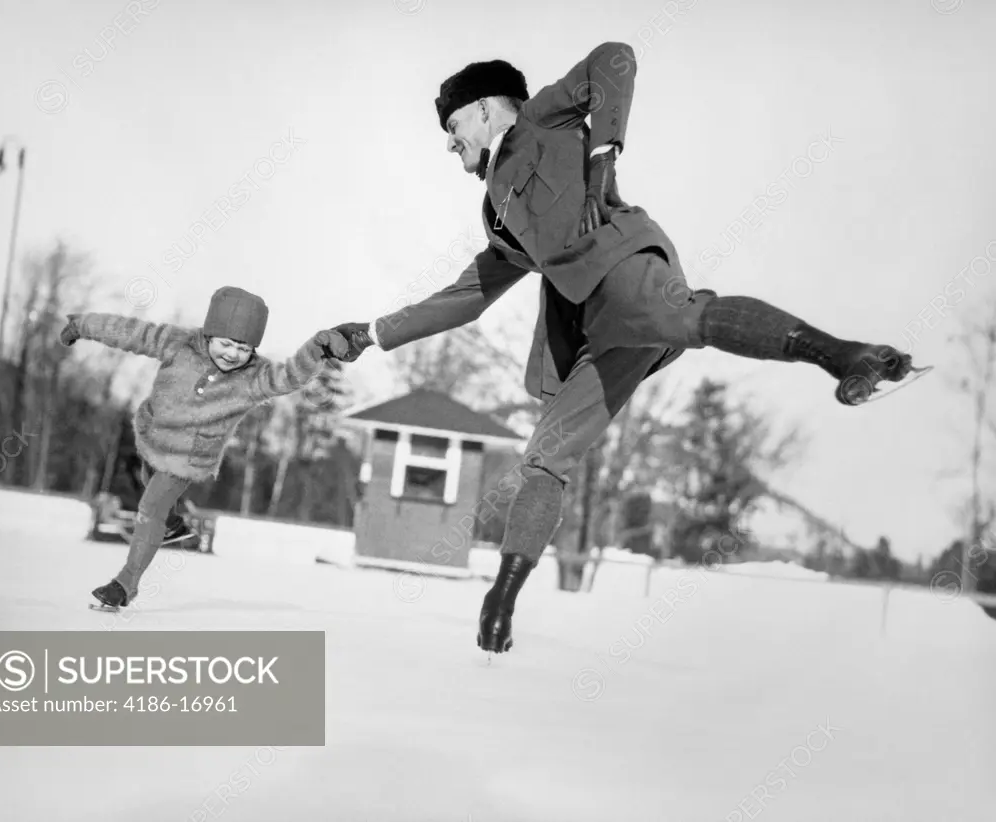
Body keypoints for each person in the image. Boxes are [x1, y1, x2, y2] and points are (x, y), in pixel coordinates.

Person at [318, 42, 917, 655]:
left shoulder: (542, 118)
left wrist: (604, 154)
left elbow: (614, 58)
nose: (449, 143)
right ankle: (502, 597)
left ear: (485, 109)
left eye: (453, 126)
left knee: (684, 316)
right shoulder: (496, 210)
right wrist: (373, 333)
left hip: (621, 267)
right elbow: (466, 295)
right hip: (595, 332)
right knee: (545, 455)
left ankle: (843, 355)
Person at [60, 286, 345, 610]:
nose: (232, 354)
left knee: (150, 509)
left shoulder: (254, 377)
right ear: (208, 335)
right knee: (148, 484)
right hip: (152, 436)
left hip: (188, 456)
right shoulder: (178, 343)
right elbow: (131, 332)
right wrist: (84, 325)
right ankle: (171, 524)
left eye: (243, 348)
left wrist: (318, 349)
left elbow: (290, 376)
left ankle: (125, 585)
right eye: (225, 343)